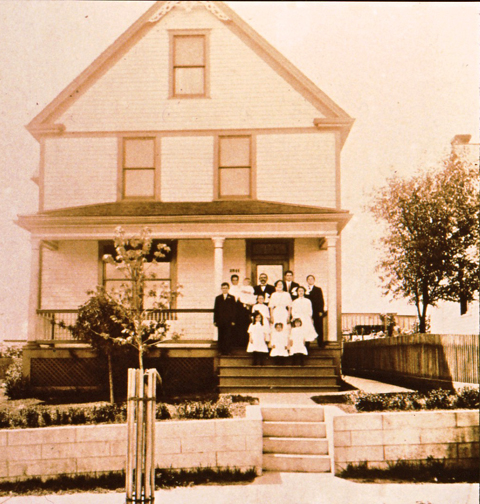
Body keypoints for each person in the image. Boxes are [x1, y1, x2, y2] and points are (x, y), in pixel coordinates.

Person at [213, 282, 237, 355]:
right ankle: (221, 351)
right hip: (220, 320)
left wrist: (233, 320)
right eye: (223, 288)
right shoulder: (218, 298)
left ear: (228, 289)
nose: (224, 289)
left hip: (229, 320)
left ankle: (228, 351)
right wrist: (215, 320)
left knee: (228, 335)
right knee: (221, 335)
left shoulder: (232, 298)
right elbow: (216, 310)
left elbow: (234, 310)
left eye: (226, 288)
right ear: (221, 289)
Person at [305, 275, 325, 347]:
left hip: (316, 311)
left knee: (318, 326)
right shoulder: (305, 290)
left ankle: (320, 343)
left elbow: (321, 300)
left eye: (311, 279)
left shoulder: (318, 289)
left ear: (314, 280)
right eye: (309, 279)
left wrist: (321, 311)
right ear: (307, 281)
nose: (310, 280)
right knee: (307, 326)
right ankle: (307, 344)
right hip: (307, 311)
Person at [236, 277, 256, 347]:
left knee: (249, 324)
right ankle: (241, 342)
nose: (246, 283)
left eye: (247, 282)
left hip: (249, 308)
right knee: (242, 325)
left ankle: (248, 341)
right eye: (245, 281)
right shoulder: (241, 288)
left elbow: (252, 295)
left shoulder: (250, 288)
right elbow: (239, 296)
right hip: (242, 308)